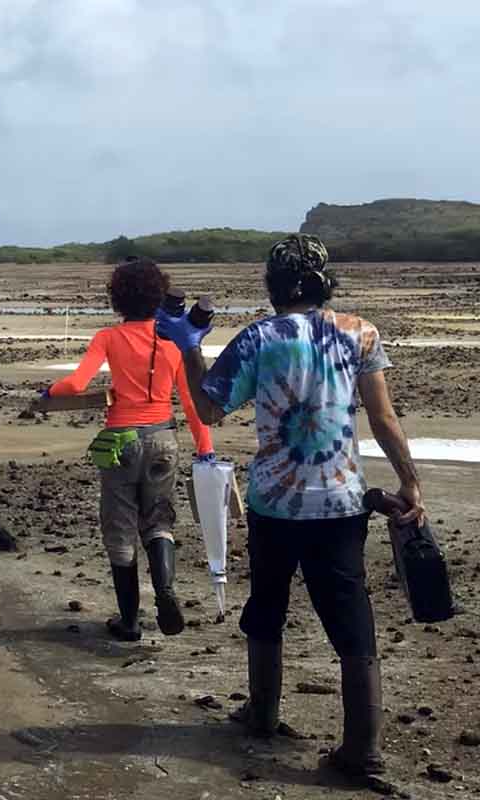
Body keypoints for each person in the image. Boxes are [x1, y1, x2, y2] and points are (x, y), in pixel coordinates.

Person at [157, 234, 424, 779]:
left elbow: (208, 410)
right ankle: (362, 750)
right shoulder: (360, 333)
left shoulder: (258, 338)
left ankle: (262, 712)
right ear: (325, 283)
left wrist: (188, 346)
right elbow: (383, 418)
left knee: (267, 607)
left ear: (273, 286)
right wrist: (409, 482)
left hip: (275, 502)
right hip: (342, 500)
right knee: (351, 615)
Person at [41, 257, 214, 642]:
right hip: (163, 437)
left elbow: (75, 384)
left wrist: (48, 393)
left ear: (117, 298)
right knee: (159, 521)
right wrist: (205, 448)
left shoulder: (108, 337)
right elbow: (192, 400)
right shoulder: (173, 340)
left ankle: (129, 621)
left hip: (120, 439)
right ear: (158, 296)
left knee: (120, 527)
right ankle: (165, 590)